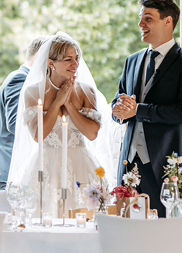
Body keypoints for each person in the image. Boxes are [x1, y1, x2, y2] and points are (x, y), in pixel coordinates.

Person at [112, 0, 182, 217]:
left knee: (165, 234)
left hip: (166, 164)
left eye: (148, 18)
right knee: (125, 230)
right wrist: (117, 111)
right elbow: (120, 101)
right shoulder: (132, 61)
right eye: (140, 18)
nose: (140, 24)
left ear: (168, 21)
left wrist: (139, 110)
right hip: (129, 163)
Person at [10, 33, 110, 214]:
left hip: (81, 166)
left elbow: (91, 133)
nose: (75, 64)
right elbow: (38, 136)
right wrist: (56, 102)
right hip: (46, 167)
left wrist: (69, 105)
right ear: (51, 63)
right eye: (68, 59)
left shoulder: (86, 92)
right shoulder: (33, 93)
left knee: (83, 218)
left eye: (77, 58)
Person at [0, 36, 50, 188]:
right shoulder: (20, 79)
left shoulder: (24, 78)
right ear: (39, 57)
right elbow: (15, 124)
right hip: (9, 165)